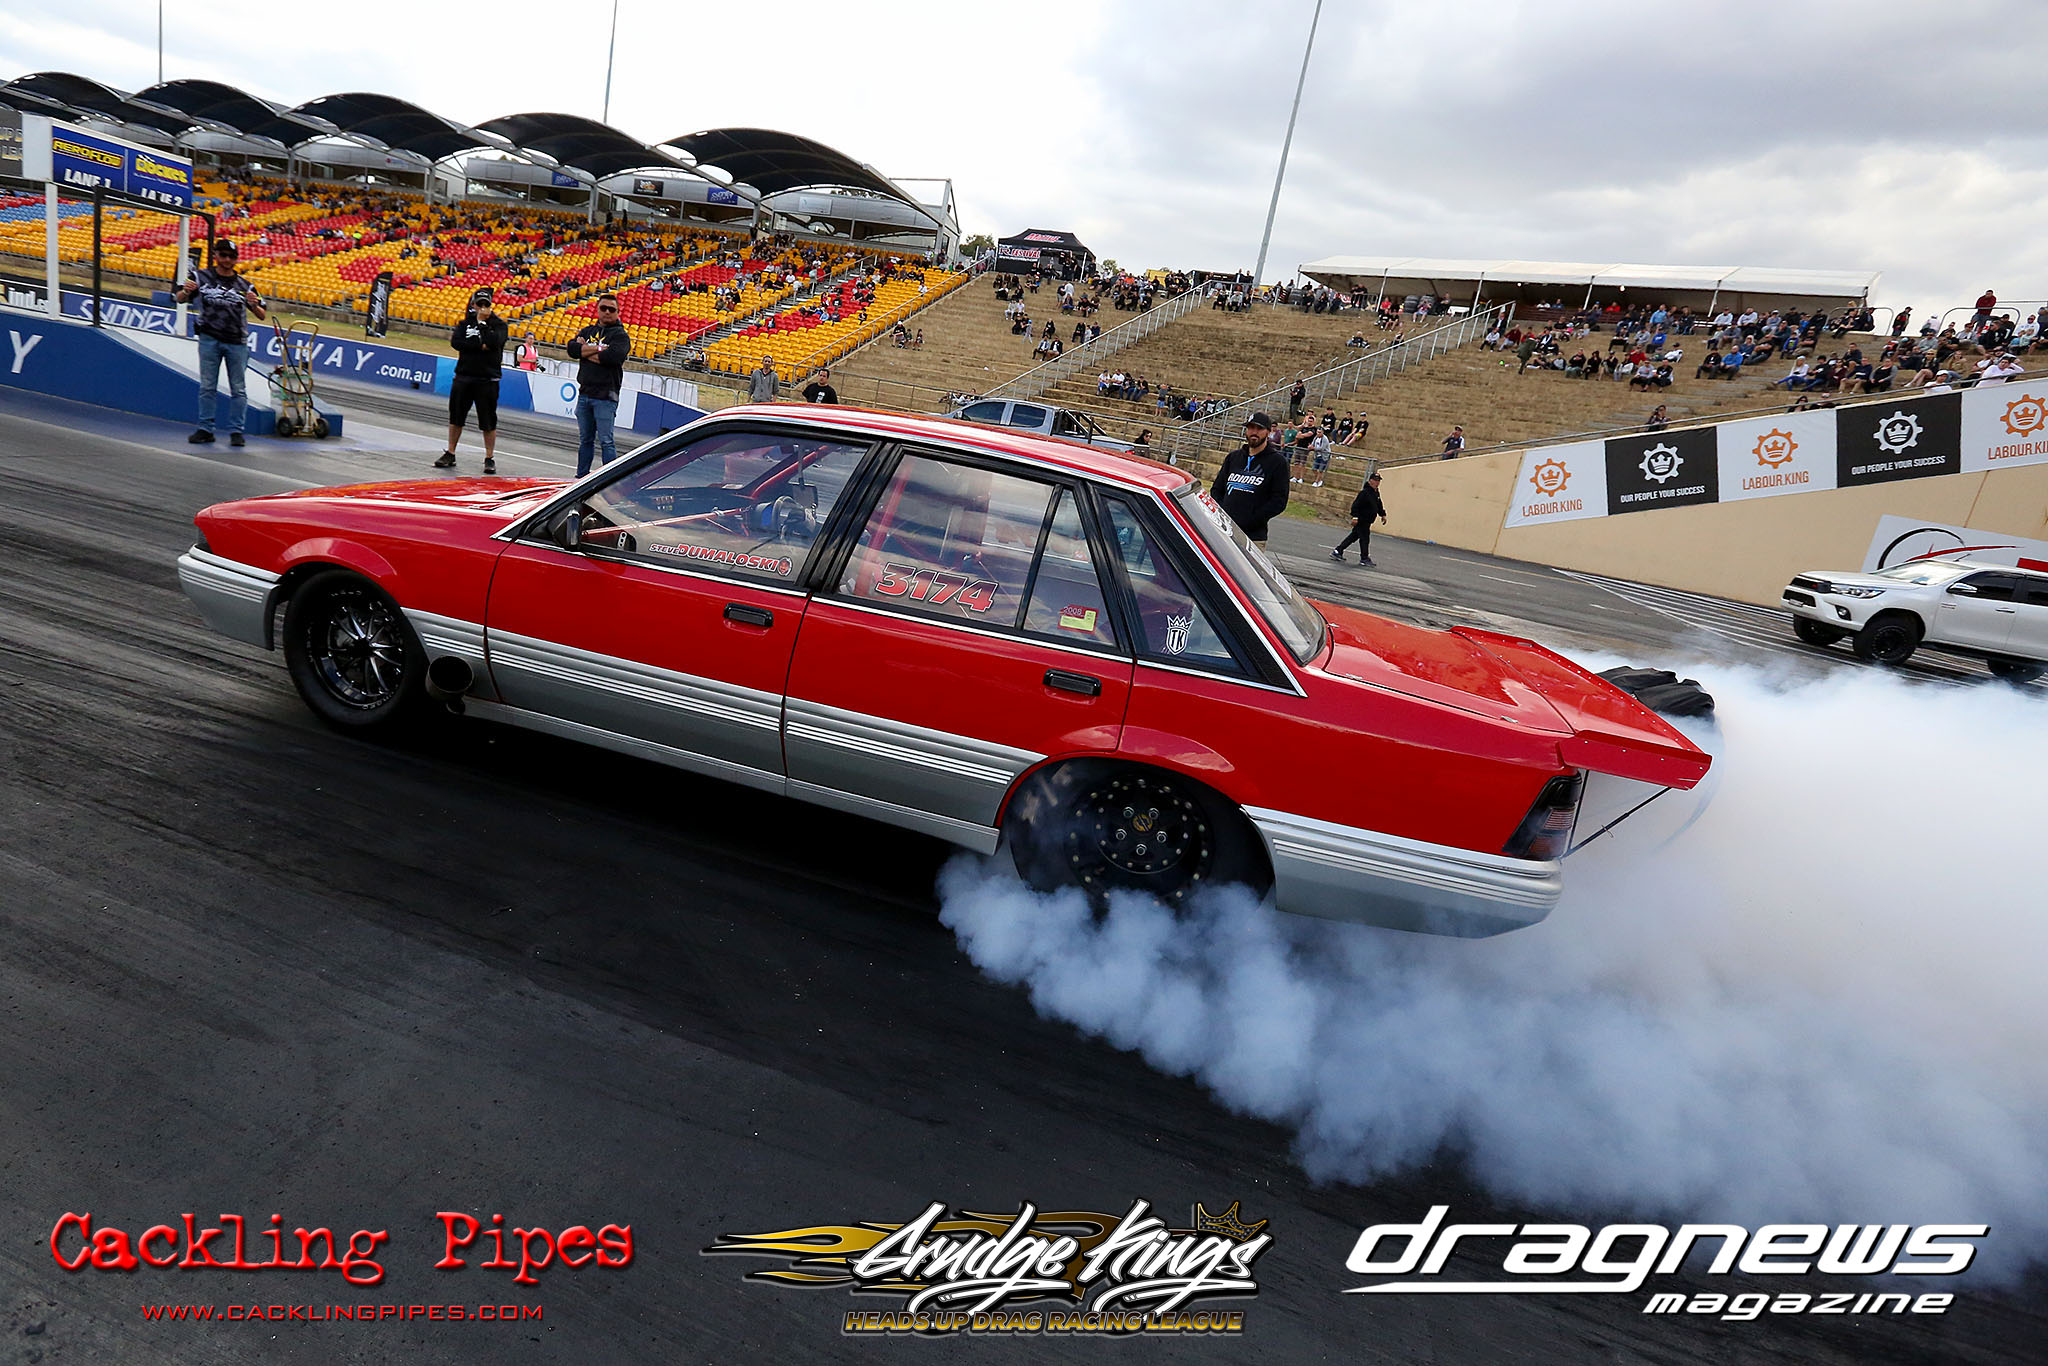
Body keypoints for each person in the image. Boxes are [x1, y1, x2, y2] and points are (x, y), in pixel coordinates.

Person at [174, 238, 266, 447]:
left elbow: (262, 314)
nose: (227, 260)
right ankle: (205, 428)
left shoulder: (245, 285)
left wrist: (253, 304)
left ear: (236, 259)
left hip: (236, 341)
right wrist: (186, 291)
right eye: (223, 255)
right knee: (208, 386)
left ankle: (236, 431)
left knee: (238, 389)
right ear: (215, 255)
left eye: (231, 256)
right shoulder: (200, 277)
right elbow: (179, 298)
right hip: (209, 338)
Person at [434, 287, 510, 473]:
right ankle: (450, 452)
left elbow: (495, 342)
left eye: (486, 304)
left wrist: (482, 325)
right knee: (456, 417)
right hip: (464, 376)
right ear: (473, 305)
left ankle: (489, 457)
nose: (482, 307)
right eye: (479, 304)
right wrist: (479, 345)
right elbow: (456, 343)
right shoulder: (465, 323)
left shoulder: (499, 325)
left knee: (488, 421)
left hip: (488, 379)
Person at [568, 292, 630, 478]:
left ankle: (610, 480)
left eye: (611, 309)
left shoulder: (621, 336)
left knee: (606, 441)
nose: (607, 312)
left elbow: (613, 357)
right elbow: (572, 349)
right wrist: (599, 349)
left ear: (618, 312)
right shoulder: (588, 331)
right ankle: (581, 478)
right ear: (598, 309)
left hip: (606, 396)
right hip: (585, 394)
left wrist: (585, 350)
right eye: (603, 308)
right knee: (585, 440)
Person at [1208, 413, 1290, 545]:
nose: (1254, 432)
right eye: (1251, 428)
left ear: (1268, 432)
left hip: (1253, 538)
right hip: (1224, 531)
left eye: (1259, 428)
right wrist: (1224, 515)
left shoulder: (1278, 462)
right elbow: (1216, 490)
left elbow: (1278, 501)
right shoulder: (1233, 458)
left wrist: (1250, 520)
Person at [1330, 471, 1386, 566]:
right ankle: (1364, 558)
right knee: (1365, 539)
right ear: (1370, 481)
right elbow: (1355, 506)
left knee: (1353, 536)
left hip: (1368, 520)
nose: (1377, 482)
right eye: (1375, 480)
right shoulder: (1364, 493)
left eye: (1378, 481)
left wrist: (1382, 514)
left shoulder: (1376, 493)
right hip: (1362, 519)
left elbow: (1378, 505)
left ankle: (1338, 550)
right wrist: (1355, 517)